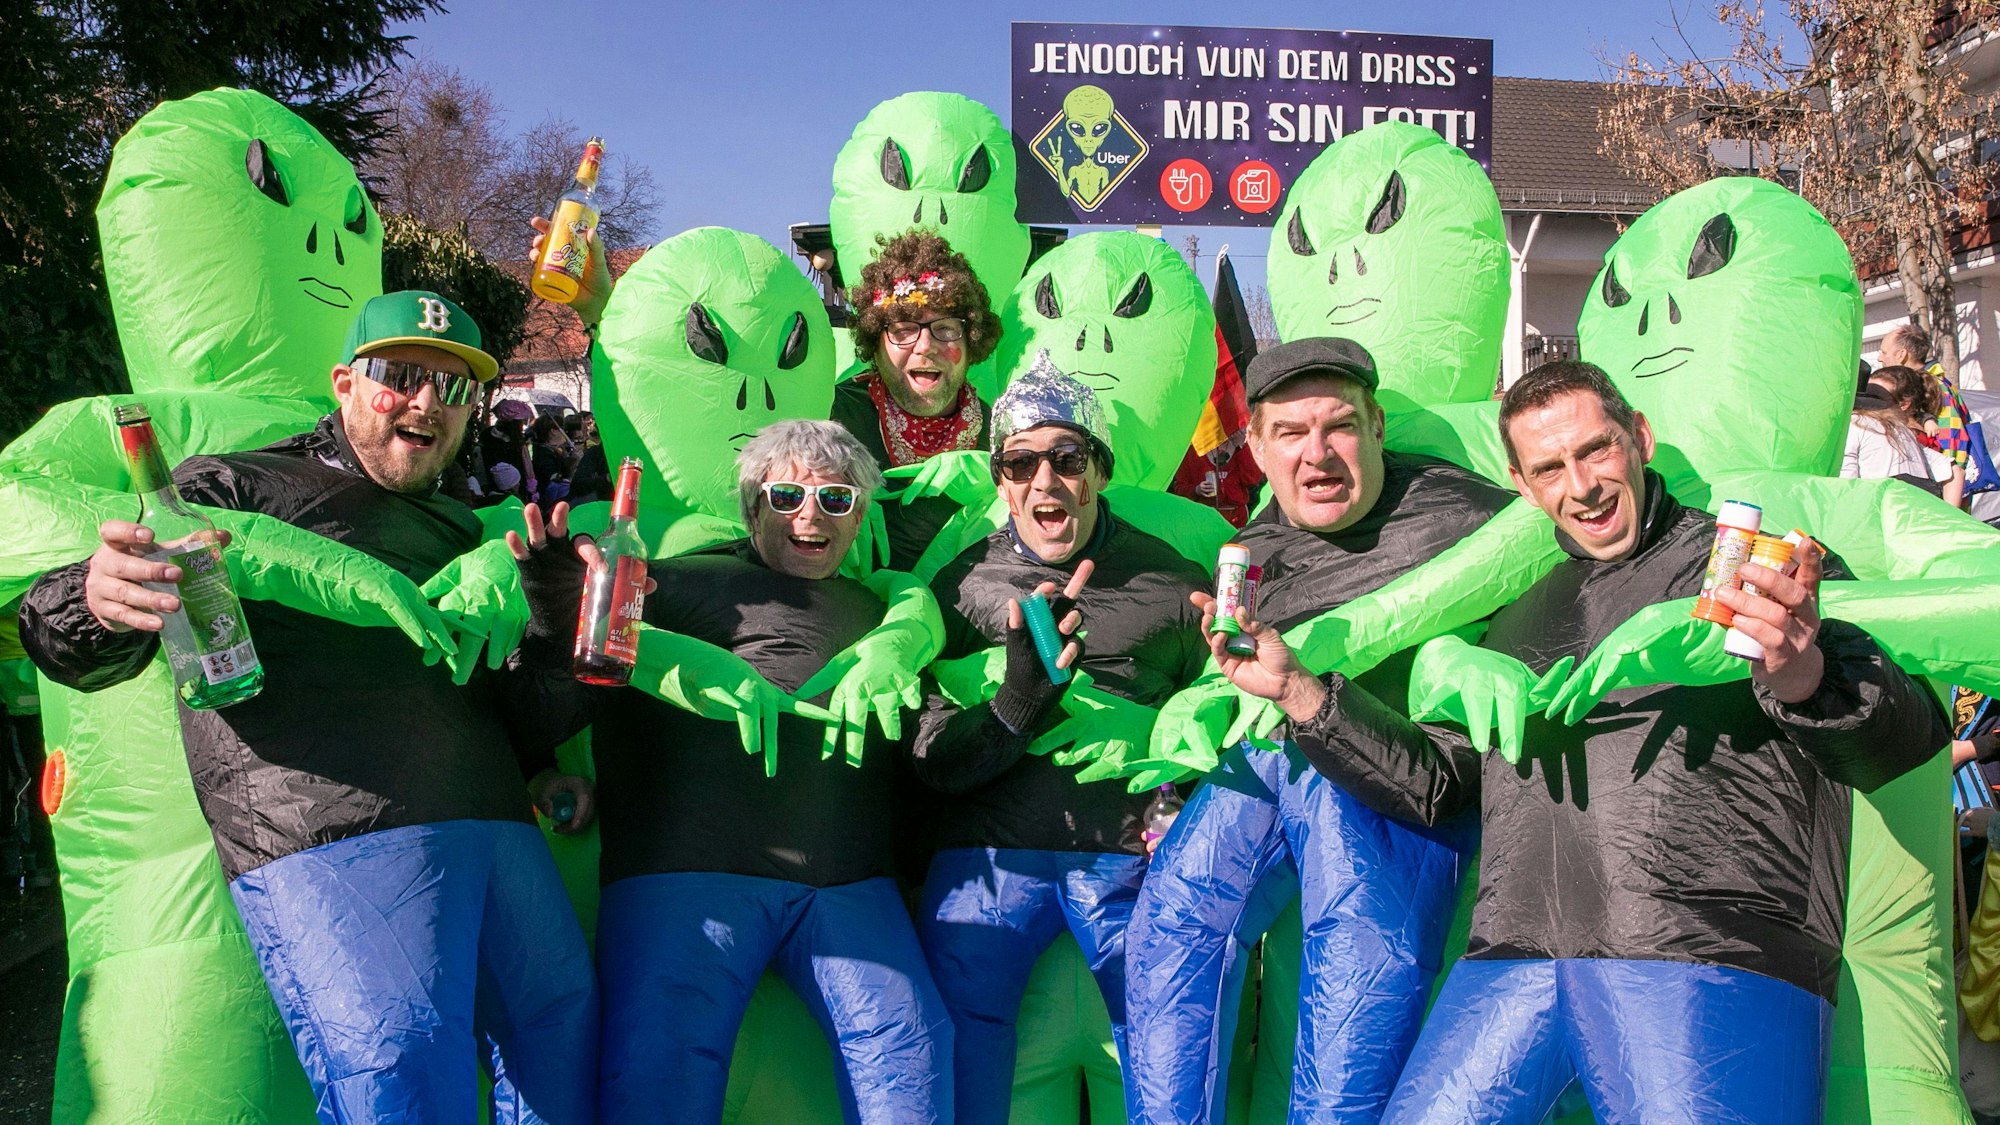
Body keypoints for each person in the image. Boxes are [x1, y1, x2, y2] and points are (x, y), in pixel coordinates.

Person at [1206, 360, 1950, 1124]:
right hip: (1513, 955)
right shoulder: (1519, 607)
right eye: (1550, 467)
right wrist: (1300, 690)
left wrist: (1803, 671)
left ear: (1641, 439)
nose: (1583, 485)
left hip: (1706, 955)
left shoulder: (1748, 569)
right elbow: (1435, 785)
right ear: (1523, 485)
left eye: (1596, 450)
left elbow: (1900, 740)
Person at [19, 291, 600, 1123]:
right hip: (332, 834)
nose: (427, 401)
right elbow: (79, 629)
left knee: (560, 1039)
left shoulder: (461, 523)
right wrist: (93, 596)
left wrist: (551, 615)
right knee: (397, 1073)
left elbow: (518, 706)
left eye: (454, 388)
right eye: (401, 375)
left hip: (494, 827)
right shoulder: (237, 484)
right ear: (345, 383)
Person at [509, 419, 952, 1125]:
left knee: (913, 1059)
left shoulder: (881, 611)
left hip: (845, 882)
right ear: (752, 507)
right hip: (690, 878)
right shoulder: (669, 582)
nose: (811, 514)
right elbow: (549, 706)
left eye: (836, 500)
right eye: (786, 495)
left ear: (860, 516)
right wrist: (555, 627)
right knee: (658, 1078)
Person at [1124, 339, 1511, 1124]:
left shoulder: (1465, 515)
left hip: (1391, 789)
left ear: (1376, 424)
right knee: (1170, 926)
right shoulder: (1259, 544)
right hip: (1279, 761)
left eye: (1337, 426)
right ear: (1258, 448)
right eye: (1291, 434)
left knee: (1355, 983)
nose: (1317, 453)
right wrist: (1202, 699)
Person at [911, 355, 1211, 1124]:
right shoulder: (958, 584)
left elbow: (1230, 714)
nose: (1044, 481)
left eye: (1067, 459)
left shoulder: (1174, 580)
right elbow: (925, 751)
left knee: (1167, 1050)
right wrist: (1014, 706)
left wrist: (1178, 781)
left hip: (1125, 859)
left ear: (1099, 472)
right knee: (963, 1055)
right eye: (1021, 461)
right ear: (1000, 479)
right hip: (988, 858)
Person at [832, 230, 1004, 570]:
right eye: (902, 330)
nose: (925, 346)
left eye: (945, 328)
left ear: (971, 342)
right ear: (875, 343)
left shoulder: (1002, 438)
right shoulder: (834, 417)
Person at [1880, 324, 1971, 508]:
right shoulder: (1926, 383)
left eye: (1884, 352)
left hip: (1940, 497)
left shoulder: (1936, 387)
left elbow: (1953, 440)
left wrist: (1950, 500)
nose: (1880, 357)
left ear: (1902, 355)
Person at [1845, 364, 1952, 495]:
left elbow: (1846, 487)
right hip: (1918, 508)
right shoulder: (1904, 429)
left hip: (1886, 509)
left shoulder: (1855, 424)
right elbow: (1954, 470)